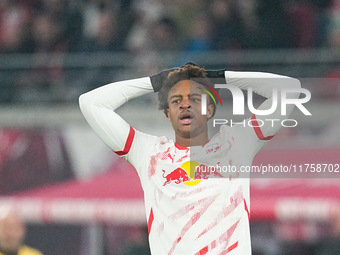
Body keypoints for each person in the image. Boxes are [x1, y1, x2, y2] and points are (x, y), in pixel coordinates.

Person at [79, 63, 301, 254]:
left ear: (209, 109)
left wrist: (219, 76)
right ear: (167, 113)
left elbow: (288, 89)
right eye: (176, 101)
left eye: (194, 99)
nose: (185, 104)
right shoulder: (148, 153)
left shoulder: (237, 143)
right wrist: (155, 82)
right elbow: (90, 103)